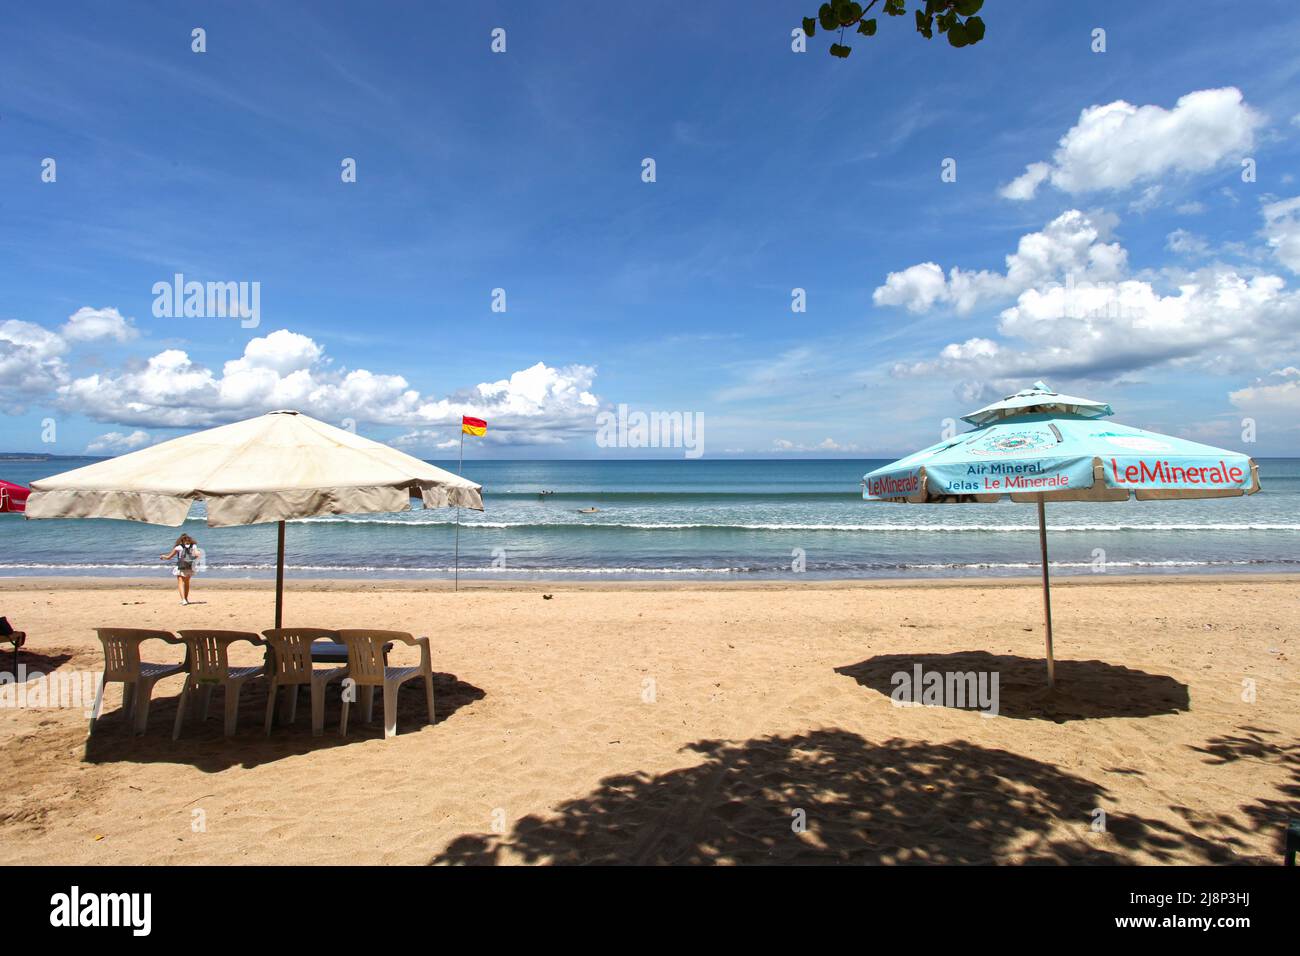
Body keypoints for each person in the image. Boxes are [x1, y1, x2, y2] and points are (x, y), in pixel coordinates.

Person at [160, 534, 201, 605]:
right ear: (190, 540)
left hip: (181, 566)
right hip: (190, 566)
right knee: (187, 583)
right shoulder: (194, 546)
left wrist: (163, 556)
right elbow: (197, 555)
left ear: (181, 540)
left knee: (180, 582)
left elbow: (169, 557)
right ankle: (186, 599)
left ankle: (183, 600)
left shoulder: (178, 547)